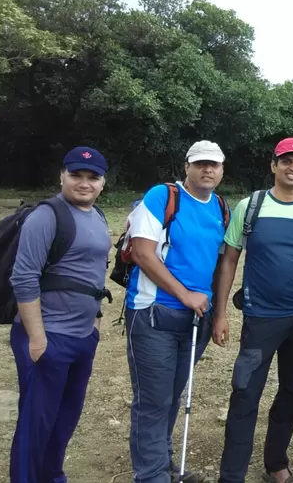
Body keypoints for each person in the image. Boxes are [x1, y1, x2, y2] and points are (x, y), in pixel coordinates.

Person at [215, 137, 293, 483]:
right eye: (286, 161)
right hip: (260, 319)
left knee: (291, 394)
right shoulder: (249, 207)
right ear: (273, 165)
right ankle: (232, 474)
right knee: (244, 394)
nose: (292, 167)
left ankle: (276, 464)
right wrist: (221, 312)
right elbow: (230, 260)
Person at [123, 140, 229, 483]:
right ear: (187, 166)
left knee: (171, 396)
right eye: (200, 164)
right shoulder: (163, 196)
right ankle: (152, 475)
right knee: (153, 399)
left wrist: (212, 309)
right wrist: (185, 294)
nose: (207, 170)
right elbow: (142, 252)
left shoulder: (221, 208)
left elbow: (217, 263)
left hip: (196, 318)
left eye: (214, 164)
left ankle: (162, 464)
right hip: (153, 313)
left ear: (222, 169)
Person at [8, 146, 112, 483]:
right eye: (76, 175)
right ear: (62, 176)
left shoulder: (97, 216)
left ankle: (52, 476)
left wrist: (94, 322)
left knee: (65, 418)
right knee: (36, 423)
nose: (84, 183)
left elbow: (93, 272)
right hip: (48, 337)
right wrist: (37, 339)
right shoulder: (46, 216)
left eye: (92, 177)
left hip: (82, 337)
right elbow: (23, 278)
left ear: (102, 182)